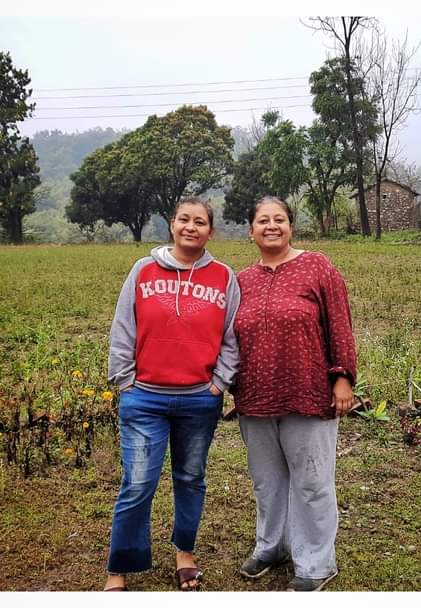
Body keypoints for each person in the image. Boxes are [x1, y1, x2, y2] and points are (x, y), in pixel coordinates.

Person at [104, 197, 240, 591]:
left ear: (210, 231)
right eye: (184, 220)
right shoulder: (143, 270)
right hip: (144, 396)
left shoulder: (223, 276)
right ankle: (119, 568)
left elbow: (232, 336)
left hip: (200, 397)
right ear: (172, 224)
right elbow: (123, 326)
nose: (191, 227)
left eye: (200, 222)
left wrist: (220, 382)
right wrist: (125, 381)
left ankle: (185, 553)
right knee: (138, 482)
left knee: (191, 477)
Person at [232, 196, 357, 592]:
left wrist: (343, 378)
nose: (272, 226)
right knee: (267, 481)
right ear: (250, 230)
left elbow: (340, 324)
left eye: (280, 219)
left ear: (291, 226)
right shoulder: (241, 281)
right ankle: (272, 546)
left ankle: (317, 562)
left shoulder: (317, 266)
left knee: (312, 480)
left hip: (308, 392)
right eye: (263, 220)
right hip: (255, 395)